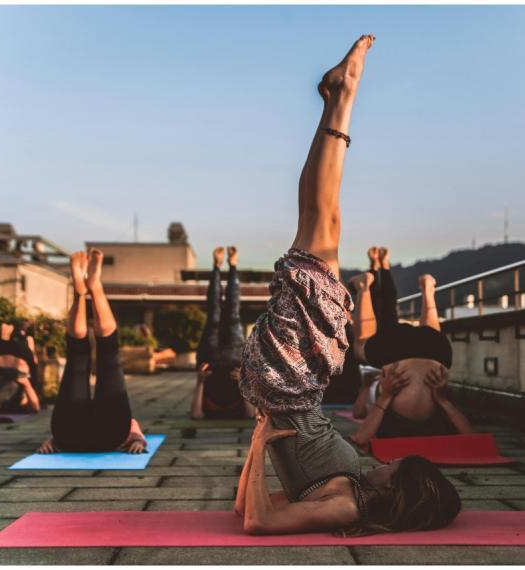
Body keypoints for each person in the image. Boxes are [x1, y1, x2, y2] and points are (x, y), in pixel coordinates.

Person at [235, 35, 461, 536]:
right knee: (324, 226)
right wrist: (262, 443)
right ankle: (339, 98)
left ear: (395, 490)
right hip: (300, 382)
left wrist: (259, 438)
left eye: (395, 468)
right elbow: (248, 507)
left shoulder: (347, 507)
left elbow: (254, 522)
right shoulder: (354, 486)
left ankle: (342, 97)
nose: (388, 461)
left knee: (318, 227)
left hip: (287, 380)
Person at [348, 248, 472, 445]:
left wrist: (441, 400)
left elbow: (470, 437)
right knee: (361, 345)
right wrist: (442, 399)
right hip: (396, 356)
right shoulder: (395, 423)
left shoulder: (434, 420)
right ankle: (363, 287)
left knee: (432, 338)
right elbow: (361, 438)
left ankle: (427, 290)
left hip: (435, 353)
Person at [37, 249, 146, 454]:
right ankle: (88, 290)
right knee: (77, 356)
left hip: (78, 436)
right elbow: (134, 428)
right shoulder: (66, 431)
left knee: (108, 354)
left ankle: (90, 290)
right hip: (70, 433)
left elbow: (132, 424)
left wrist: (53, 440)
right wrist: (138, 439)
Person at [191, 246, 256, 420]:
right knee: (231, 312)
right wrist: (243, 383)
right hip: (233, 358)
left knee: (215, 312)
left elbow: (196, 415)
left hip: (210, 359)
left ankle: (218, 267)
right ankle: (231, 266)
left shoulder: (209, 408)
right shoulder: (238, 409)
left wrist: (199, 383)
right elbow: (251, 414)